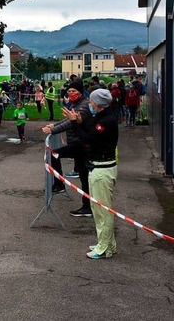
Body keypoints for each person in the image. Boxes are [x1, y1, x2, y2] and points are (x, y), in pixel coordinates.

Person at [62, 88, 118, 259]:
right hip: (98, 167)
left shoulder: (105, 121)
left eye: (92, 102)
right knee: (98, 209)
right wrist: (79, 121)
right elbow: (90, 131)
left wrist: (73, 123)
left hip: (102, 169)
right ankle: (107, 243)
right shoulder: (101, 118)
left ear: (98, 104)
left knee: (102, 211)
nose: (90, 104)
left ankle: (104, 248)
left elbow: (87, 139)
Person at [42, 79, 92, 213]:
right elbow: (66, 119)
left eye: (74, 91)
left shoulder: (84, 105)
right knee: (83, 175)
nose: (70, 93)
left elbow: (71, 122)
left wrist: (53, 130)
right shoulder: (75, 104)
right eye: (69, 91)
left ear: (80, 92)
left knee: (55, 154)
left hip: (81, 144)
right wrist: (54, 125)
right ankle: (87, 206)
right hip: (76, 143)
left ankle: (59, 184)